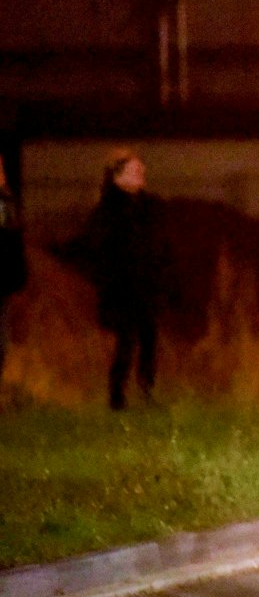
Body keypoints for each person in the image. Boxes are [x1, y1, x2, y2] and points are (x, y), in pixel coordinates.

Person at [80, 150, 165, 409]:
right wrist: (110, 281)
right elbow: (99, 251)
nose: (142, 175)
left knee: (149, 339)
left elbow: (158, 246)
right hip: (122, 289)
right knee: (126, 341)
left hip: (145, 286)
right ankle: (117, 397)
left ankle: (146, 391)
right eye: (135, 171)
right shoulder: (107, 211)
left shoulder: (147, 207)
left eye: (142, 171)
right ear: (117, 177)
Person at [0, 157, 25, 383]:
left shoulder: (6, 202)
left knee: (2, 341)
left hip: (3, 282)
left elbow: (12, 240)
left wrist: (18, 275)